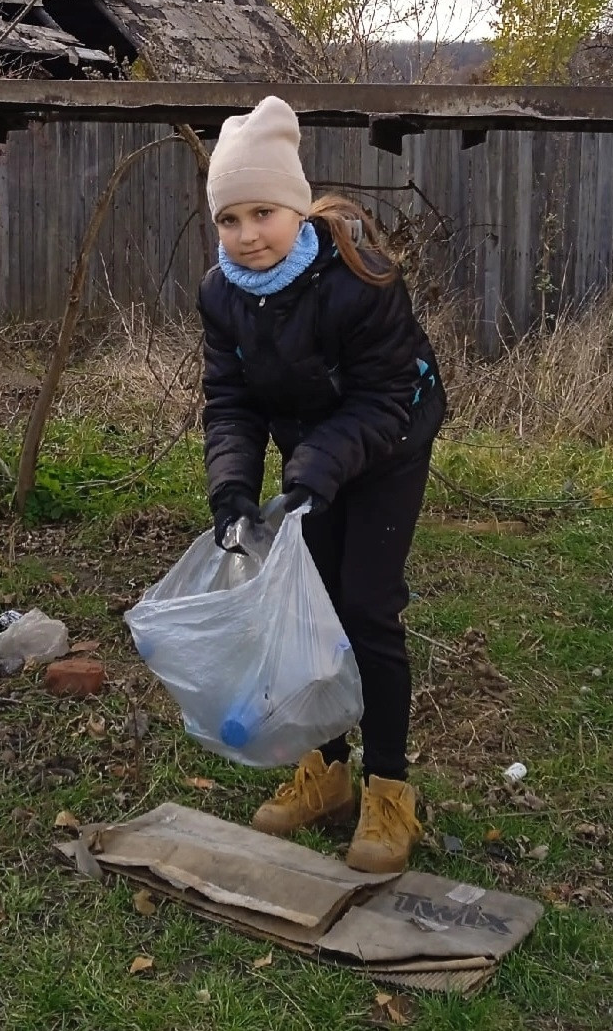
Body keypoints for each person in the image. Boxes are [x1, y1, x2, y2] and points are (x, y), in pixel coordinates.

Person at [197, 95, 446, 873]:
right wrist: (232, 486)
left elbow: (383, 396)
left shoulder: (358, 278)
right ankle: (326, 772)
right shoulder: (222, 293)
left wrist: (311, 469)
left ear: (296, 207)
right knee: (314, 613)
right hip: (312, 455)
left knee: (366, 608)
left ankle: (388, 791)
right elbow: (230, 401)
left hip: (389, 441)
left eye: (262, 212)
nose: (247, 234)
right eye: (229, 218)